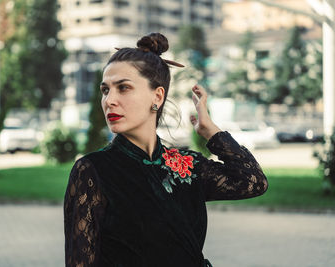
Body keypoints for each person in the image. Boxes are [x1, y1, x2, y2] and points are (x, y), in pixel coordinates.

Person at [64, 32, 268, 267]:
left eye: (123, 88)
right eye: (105, 90)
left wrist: (210, 130)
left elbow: (253, 182)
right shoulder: (93, 170)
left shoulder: (187, 165)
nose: (109, 100)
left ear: (157, 96)